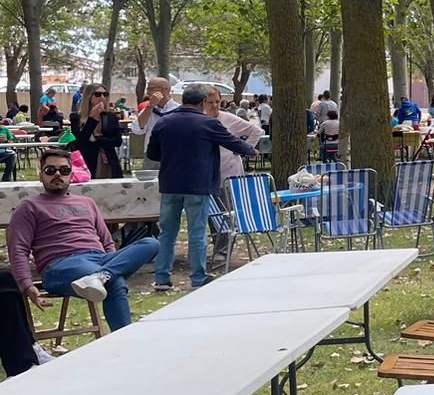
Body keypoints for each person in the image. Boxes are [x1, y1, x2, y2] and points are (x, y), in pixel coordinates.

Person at [7, 148, 160, 332]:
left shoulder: (87, 203)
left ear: (71, 175)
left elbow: (107, 242)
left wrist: (112, 262)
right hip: (60, 265)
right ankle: (125, 343)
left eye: (63, 171)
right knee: (115, 282)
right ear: (41, 176)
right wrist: (26, 285)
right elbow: (18, 249)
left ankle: (101, 276)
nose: (57, 174)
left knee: (152, 243)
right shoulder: (29, 206)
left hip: (99, 259)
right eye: (50, 170)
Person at [146, 83, 260, 292]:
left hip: (170, 184)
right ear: (201, 103)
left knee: (167, 233)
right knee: (196, 232)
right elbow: (233, 142)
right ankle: (198, 277)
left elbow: (152, 154)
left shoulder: (164, 122)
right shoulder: (208, 123)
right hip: (198, 185)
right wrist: (250, 150)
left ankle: (162, 278)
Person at [70, 85, 123, 178]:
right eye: (98, 94)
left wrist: (99, 139)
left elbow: (118, 141)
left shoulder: (110, 117)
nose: (102, 97)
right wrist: (92, 119)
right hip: (87, 161)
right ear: (89, 97)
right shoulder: (76, 117)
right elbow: (81, 141)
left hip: (108, 160)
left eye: (105, 94)